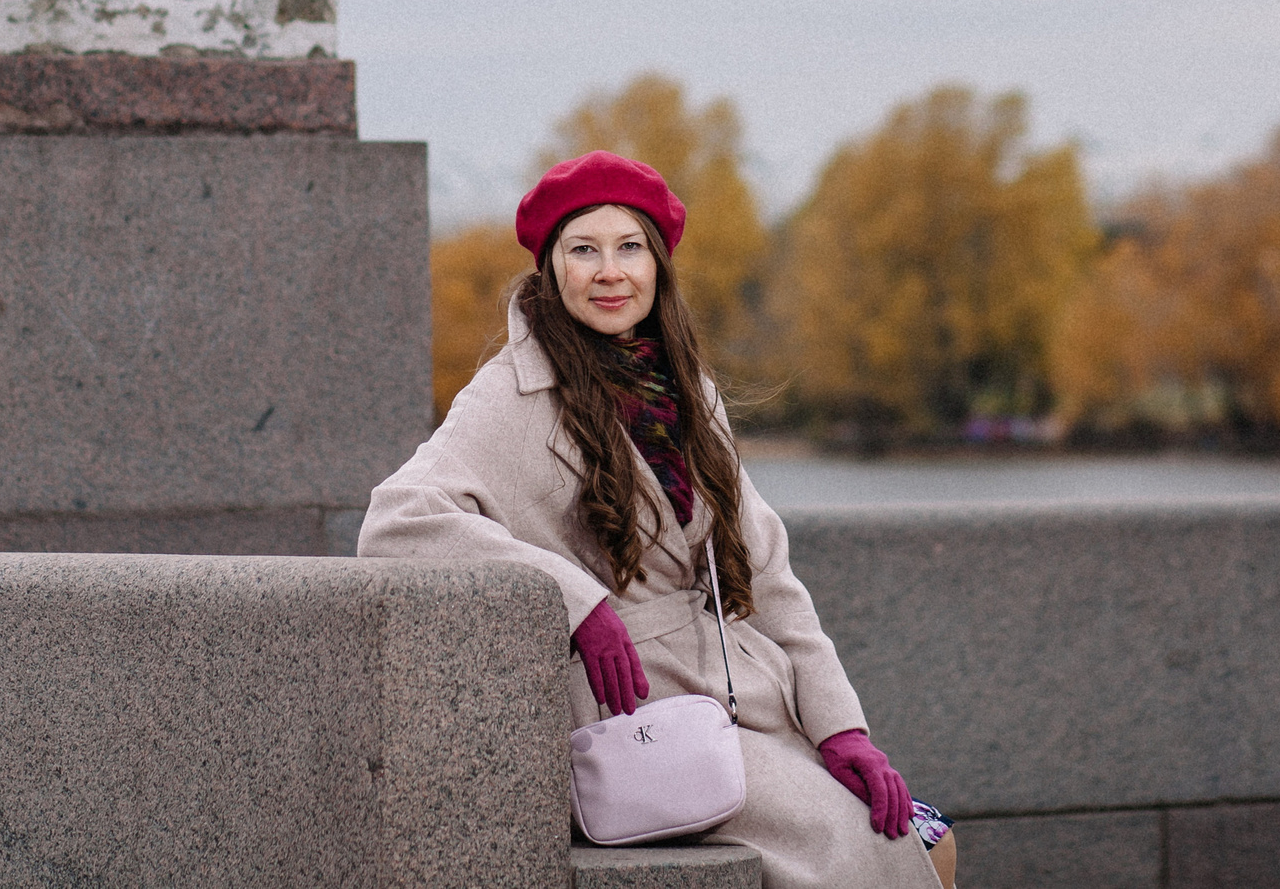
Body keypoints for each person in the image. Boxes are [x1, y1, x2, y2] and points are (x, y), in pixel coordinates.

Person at [359, 152, 955, 889]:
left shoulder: (688, 389)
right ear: (551, 268)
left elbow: (768, 573)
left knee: (928, 838)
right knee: (874, 851)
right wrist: (577, 602)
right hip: (643, 717)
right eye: (584, 249)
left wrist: (842, 728)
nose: (610, 271)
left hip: (743, 695)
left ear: (657, 266)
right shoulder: (511, 394)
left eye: (629, 247)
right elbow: (397, 518)